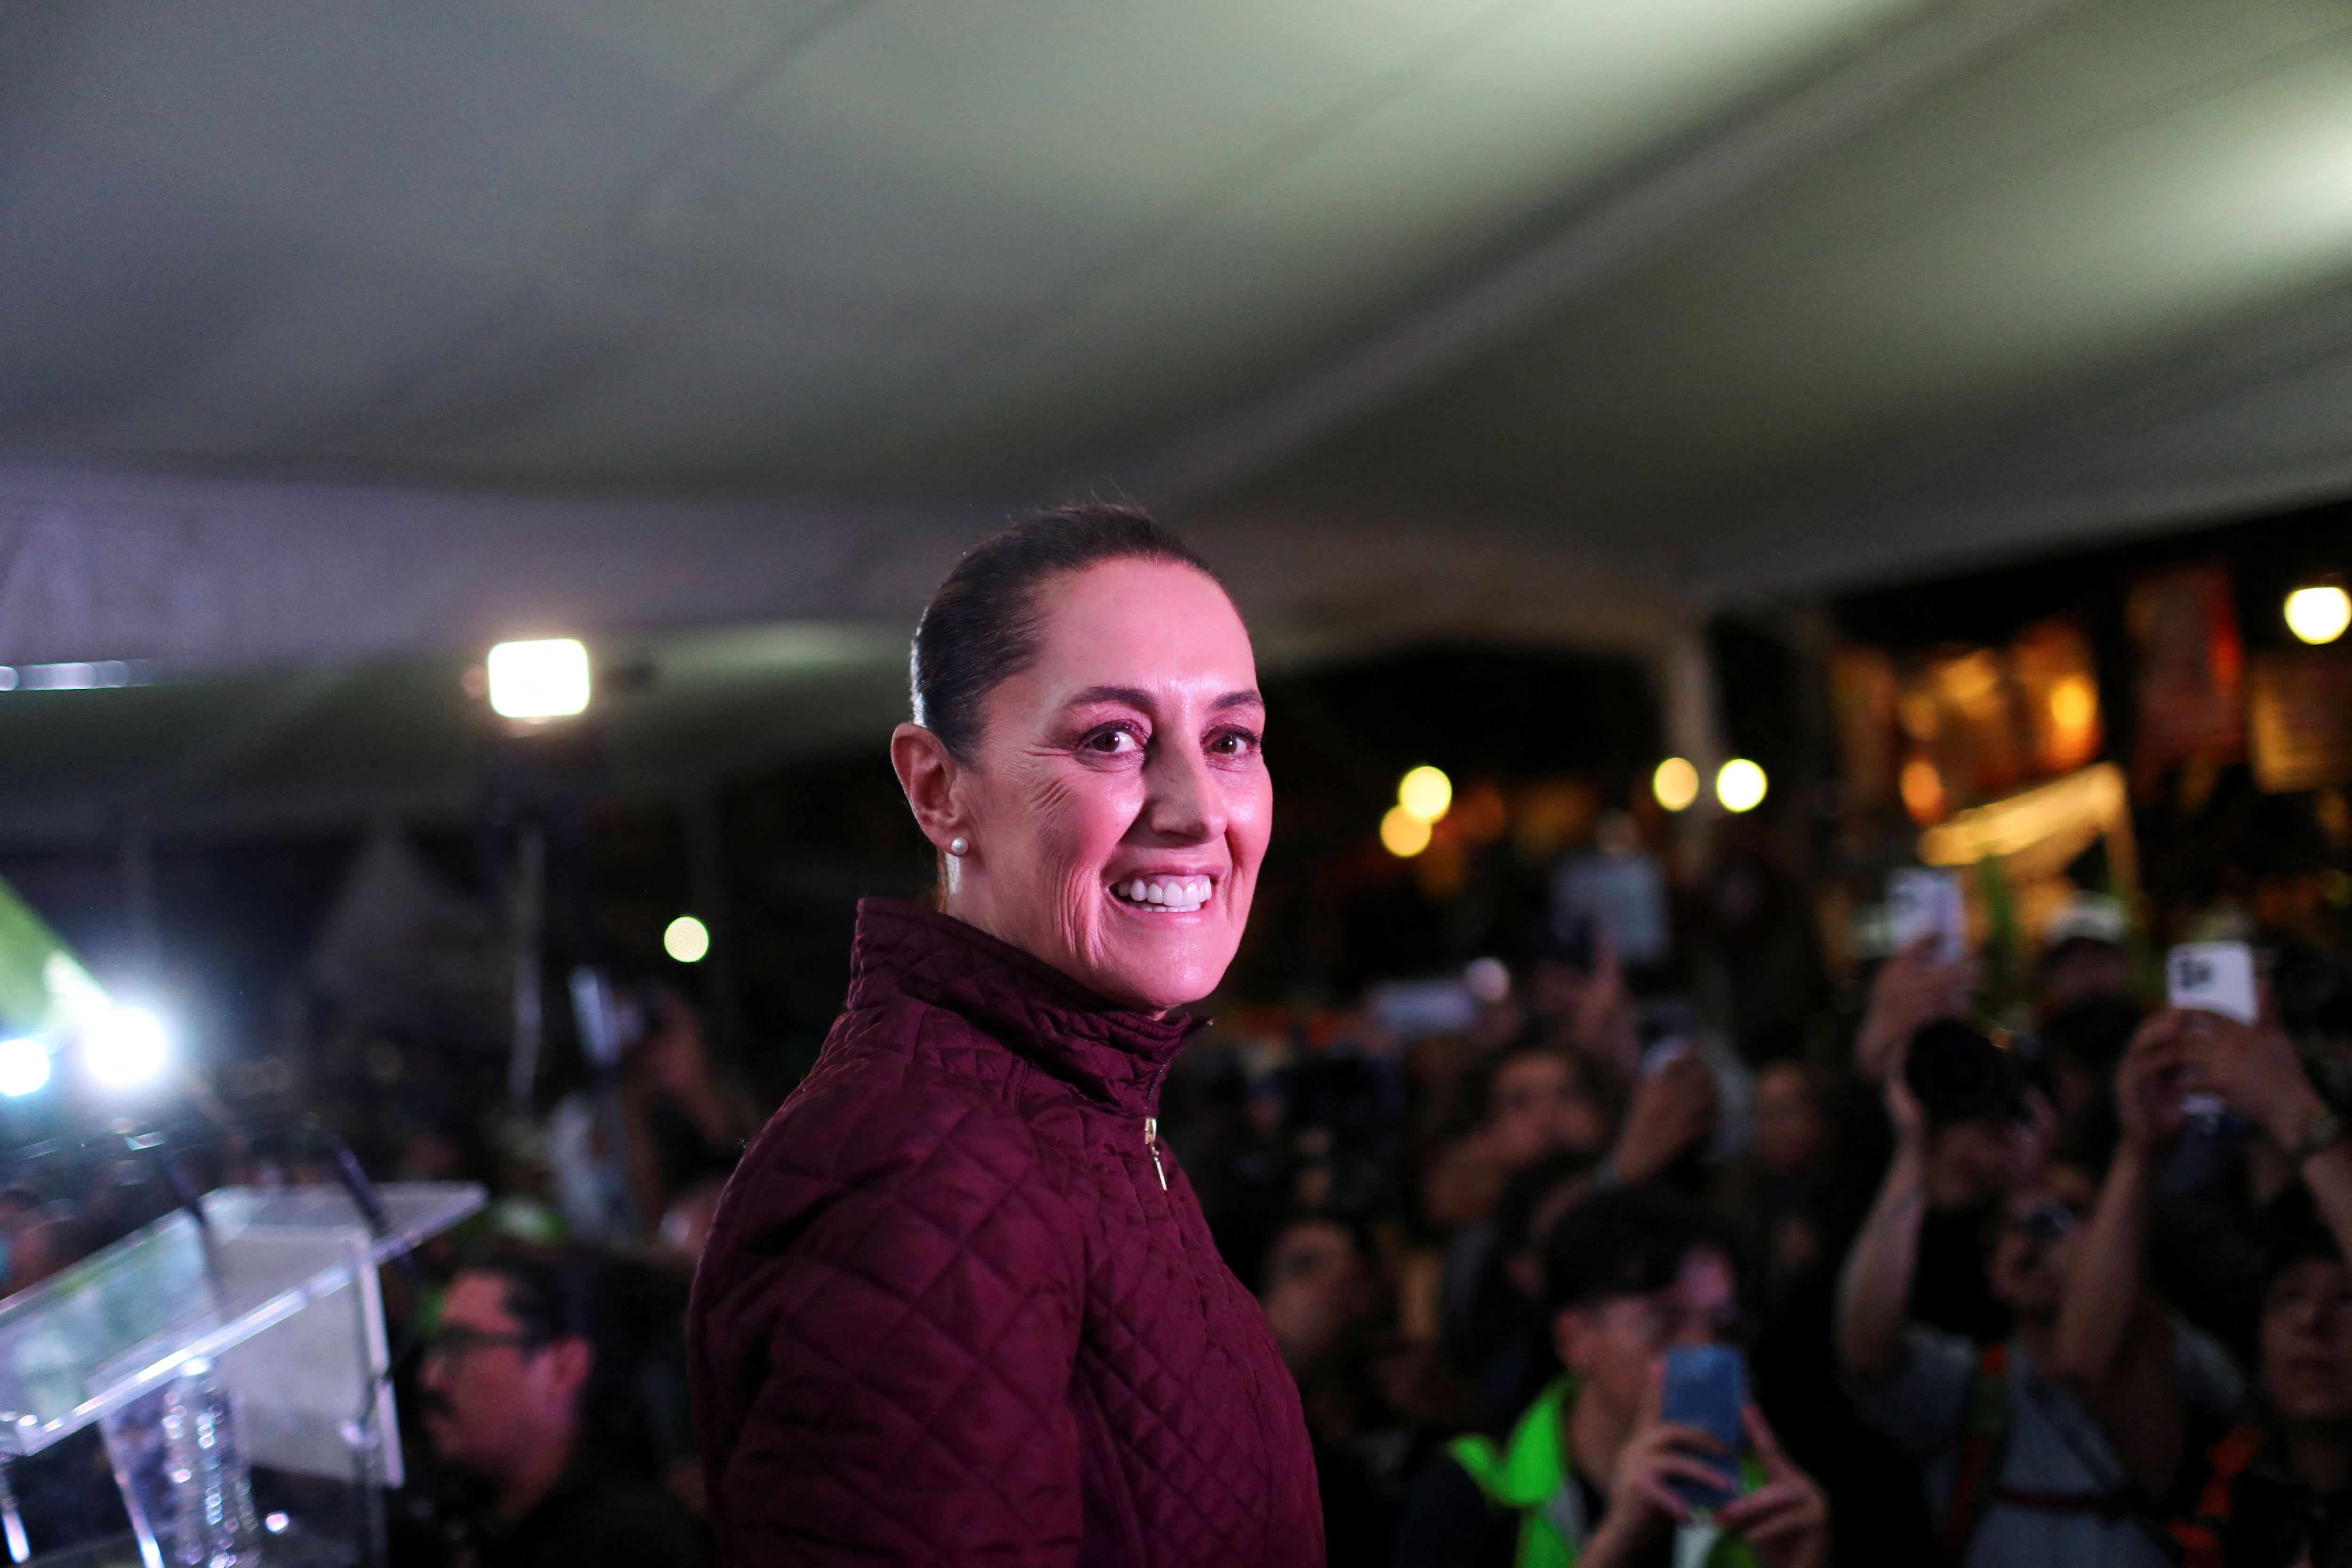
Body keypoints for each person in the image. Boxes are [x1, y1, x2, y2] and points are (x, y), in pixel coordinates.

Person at [687, 506, 1320, 1565]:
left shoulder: (1084, 1114)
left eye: (1230, 740)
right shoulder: (914, 1167)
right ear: (938, 790)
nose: (1193, 807)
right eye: (1110, 738)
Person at [1835, 1026, 2242, 1568]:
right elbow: (1865, 1345)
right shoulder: (1975, 1388)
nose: (2029, 1238)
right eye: (2012, 1226)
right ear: (1989, 1271)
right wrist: (1912, 1149)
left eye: (2060, 1217)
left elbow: (2102, 1357)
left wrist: (2050, 1183)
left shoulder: (2174, 1355)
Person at [1398, 1187, 1829, 1568]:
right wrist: (1616, 1541)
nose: (1705, 1350)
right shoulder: (1477, 1491)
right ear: (1574, 1339)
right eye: (1664, 1321)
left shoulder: (1763, 1501)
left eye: (1723, 1324)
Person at [2062, 1003, 2352, 1567]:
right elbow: (2087, 1360)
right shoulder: (2227, 1476)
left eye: (2348, 1300)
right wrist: (2139, 1150)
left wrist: (2292, 1109)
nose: (2311, 1325)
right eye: (2287, 1298)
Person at [418, 1245, 706, 1568]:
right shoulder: (464, 1517)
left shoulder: (625, 1545)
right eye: (436, 1347)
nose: (432, 1378)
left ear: (563, 1366)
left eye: (460, 1347)